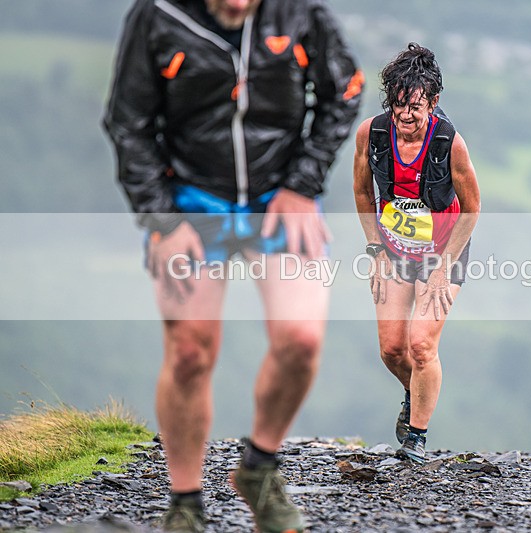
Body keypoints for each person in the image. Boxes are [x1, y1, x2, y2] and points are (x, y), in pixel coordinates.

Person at [103, 0, 362, 531]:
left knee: (301, 341)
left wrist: (302, 185)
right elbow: (127, 122)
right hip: (192, 202)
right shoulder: (156, 16)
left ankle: (259, 468)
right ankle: (186, 503)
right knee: (190, 352)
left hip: (280, 197)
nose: (238, 6)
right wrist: (162, 220)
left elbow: (346, 92)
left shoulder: (300, 11)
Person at [352, 43, 480, 463]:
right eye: (399, 106)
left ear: (434, 102)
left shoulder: (449, 143)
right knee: (392, 349)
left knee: (421, 344)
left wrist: (443, 270)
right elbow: (361, 191)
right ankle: (415, 391)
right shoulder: (371, 134)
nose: (406, 116)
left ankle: (416, 440)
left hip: (445, 250)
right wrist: (375, 250)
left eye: (416, 107)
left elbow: (472, 208)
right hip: (394, 249)